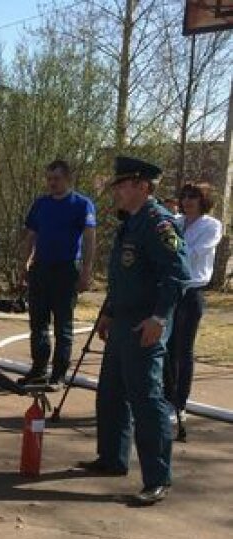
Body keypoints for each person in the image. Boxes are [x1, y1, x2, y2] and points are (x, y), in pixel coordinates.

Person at [77, 156, 190, 506]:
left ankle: (157, 478)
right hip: (123, 320)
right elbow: (123, 276)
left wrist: (159, 319)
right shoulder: (131, 223)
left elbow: (177, 275)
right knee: (110, 393)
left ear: (143, 186)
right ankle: (112, 458)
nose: (118, 192)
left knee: (146, 400)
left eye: (123, 185)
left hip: (146, 324)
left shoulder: (158, 224)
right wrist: (109, 312)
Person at [17, 160, 96, 388]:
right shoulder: (40, 204)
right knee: (38, 322)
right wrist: (25, 264)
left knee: (63, 324)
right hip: (41, 269)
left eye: (57, 179)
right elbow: (31, 235)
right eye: (49, 178)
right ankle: (39, 369)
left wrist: (87, 271)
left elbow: (90, 238)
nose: (52, 183)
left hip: (66, 269)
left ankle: (58, 374)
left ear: (67, 179)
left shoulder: (82, 204)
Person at [164, 183, 223, 425]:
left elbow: (193, 252)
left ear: (203, 200)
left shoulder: (211, 225)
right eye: (185, 196)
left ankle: (179, 403)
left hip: (191, 292)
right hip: (169, 290)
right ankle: (166, 397)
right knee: (166, 347)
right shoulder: (175, 220)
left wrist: (170, 243)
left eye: (193, 197)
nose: (187, 201)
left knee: (183, 350)